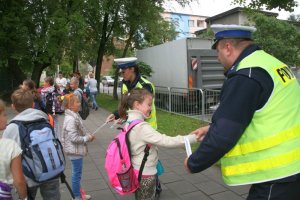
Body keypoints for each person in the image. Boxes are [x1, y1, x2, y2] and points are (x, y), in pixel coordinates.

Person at [184, 24, 300, 200]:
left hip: (277, 173)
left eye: (217, 52)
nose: (217, 58)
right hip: (292, 167)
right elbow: (268, 111)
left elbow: (224, 136)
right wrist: (210, 128)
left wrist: (193, 162)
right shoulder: (272, 64)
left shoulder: (246, 75)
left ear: (228, 47)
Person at [119, 88, 197, 200]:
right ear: (137, 105)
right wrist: (192, 138)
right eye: (149, 105)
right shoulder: (141, 127)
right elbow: (166, 141)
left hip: (136, 169)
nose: (151, 108)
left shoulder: (128, 121)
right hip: (145, 173)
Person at [3, 89, 61, 200]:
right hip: (50, 170)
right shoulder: (45, 120)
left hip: (28, 176)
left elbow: (7, 155)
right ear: (33, 104)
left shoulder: (12, 128)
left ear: (13, 107)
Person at [106, 57, 157, 130]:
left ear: (132, 69)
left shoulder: (145, 86)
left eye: (123, 72)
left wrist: (125, 118)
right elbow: (126, 105)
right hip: (132, 126)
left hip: (146, 128)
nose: (122, 74)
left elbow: (144, 110)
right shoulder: (125, 84)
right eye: (121, 72)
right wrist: (115, 114)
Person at [61, 93, 95, 200]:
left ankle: (79, 194)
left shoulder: (74, 115)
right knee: (76, 175)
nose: (80, 103)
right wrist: (87, 138)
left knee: (77, 174)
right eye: (77, 102)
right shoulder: (71, 119)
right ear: (70, 106)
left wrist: (87, 136)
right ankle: (76, 196)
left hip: (75, 150)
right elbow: (74, 138)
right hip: (74, 151)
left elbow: (80, 131)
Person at [0, 99, 27, 200]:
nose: (6, 117)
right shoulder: (10, 146)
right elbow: (19, 181)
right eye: (4, 114)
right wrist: (24, 197)